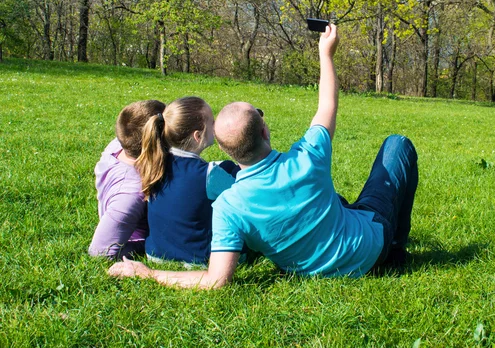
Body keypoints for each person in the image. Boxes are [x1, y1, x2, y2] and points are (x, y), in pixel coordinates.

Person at [108, 24, 418, 287]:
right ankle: (395, 248)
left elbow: (215, 280)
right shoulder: (308, 158)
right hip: (367, 249)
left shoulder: (229, 205)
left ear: (223, 147)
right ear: (265, 132)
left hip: (306, 271)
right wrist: (326, 53)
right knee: (397, 145)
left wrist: (147, 273)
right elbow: (327, 105)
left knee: (335, 200)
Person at [137, 96, 240, 265]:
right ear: (198, 136)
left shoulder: (155, 164)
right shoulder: (209, 175)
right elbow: (245, 194)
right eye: (212, 122)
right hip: (197, 258)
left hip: (155, 253)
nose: (215, 126)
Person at [89, 99, 166, 259]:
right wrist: (148, 243)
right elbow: (101, 252)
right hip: (134, 236)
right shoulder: (130, 194)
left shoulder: (117, 146)